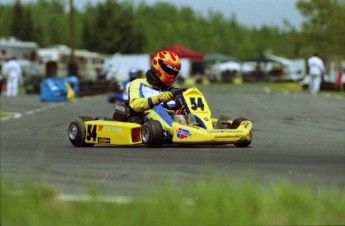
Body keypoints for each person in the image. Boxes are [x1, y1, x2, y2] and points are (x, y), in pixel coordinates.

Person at [129, 51, 181, 134]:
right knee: (157, 108)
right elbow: (135, 104)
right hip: (150, 122)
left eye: (174, 72)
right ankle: (179, 132)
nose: (172, 75)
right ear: (158, 65)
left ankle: (206, 129)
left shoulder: (175, 88)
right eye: (169, 70)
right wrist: (158, 98)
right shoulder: (138, 83)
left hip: (174, 118)